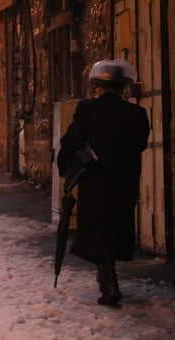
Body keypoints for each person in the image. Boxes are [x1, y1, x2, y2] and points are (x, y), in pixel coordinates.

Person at [57, 59, 150, 307]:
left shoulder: (87, 110)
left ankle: (107, 281)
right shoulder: (138, 114)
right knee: (116, 228)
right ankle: (108, 278)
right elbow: (140, 144)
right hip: (124, 181)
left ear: (97, 86)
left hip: (95, 180)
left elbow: (72, 141)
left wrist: (65, 168)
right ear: (124, 87)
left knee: (98, 230)